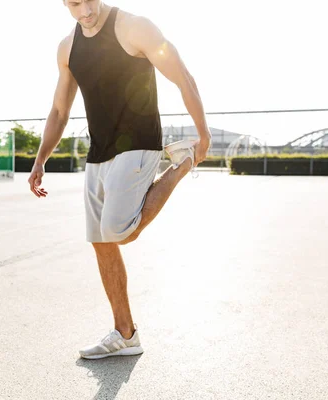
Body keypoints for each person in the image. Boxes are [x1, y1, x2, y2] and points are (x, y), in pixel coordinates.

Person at [28, 0, 212, 360]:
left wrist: (202, 135)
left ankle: (181, 164)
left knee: (120, 230)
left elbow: (182, 76)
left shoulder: (134, 27)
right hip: (100, 153)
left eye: (88, 1)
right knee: (101, 241)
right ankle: (125, 334)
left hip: (139, 143)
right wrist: (40, 159)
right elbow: (59, 110)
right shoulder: (68, 48)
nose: (84, 11)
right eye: (74, 4)